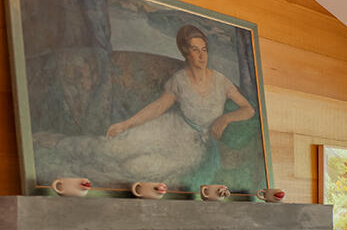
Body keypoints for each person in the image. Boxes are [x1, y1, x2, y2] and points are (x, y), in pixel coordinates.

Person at [46, 25, 256, 187]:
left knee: (137, 167)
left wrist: (226, 118)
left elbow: (248, 109)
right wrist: (126, 124)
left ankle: (81, 172)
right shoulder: (180, 80)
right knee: (113, 147)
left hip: (193, 145)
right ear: (186, 53)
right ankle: (59, 144)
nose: (202, 55)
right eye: (195, 50)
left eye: (204, 50)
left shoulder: (221, 81)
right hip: (168, 128)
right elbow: (158, 107)